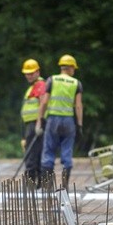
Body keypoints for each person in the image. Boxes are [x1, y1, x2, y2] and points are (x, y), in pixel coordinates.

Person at [35, 54, 83, 191]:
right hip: (68, 121)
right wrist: (79, 124)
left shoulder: (52, 80)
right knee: (67, 152)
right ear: (71, 67)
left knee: (48, 150)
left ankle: (48, 186)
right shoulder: (76, 83)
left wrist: (40, 121)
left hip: (53, 120)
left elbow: (44, 102)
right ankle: (65, 186)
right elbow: (78, 106)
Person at [20, 59, 46, 188]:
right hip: (31, 124)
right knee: (34, 153)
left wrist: (39, 123)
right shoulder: (33, 86)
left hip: (36, 124)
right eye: (27, 73)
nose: (28, 76)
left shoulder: (40, 85)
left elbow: (43, 103)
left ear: (37, 72)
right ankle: (37, 183)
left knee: (32, 154)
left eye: (31, 73)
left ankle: (32, 184)